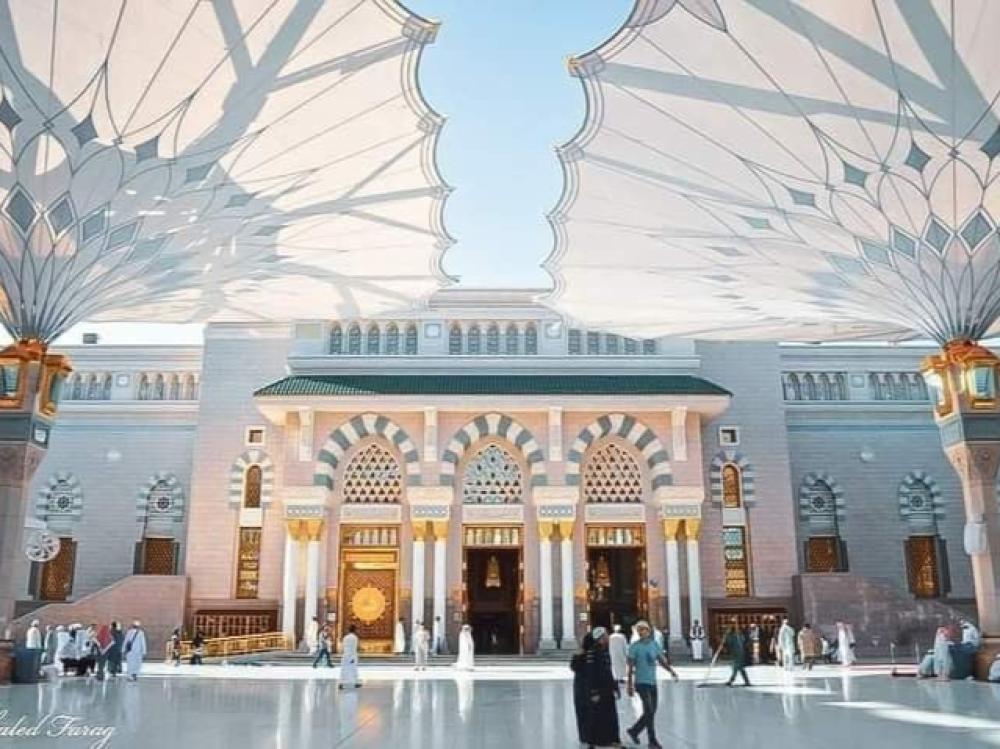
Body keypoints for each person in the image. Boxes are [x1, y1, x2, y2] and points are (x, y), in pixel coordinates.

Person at [626, 620, 670, 749]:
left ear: (648, 631)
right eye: (639, 630)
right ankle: (652, 740)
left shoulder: (654, 644)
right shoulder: (634, 647)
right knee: (649, 710)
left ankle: (634, 731)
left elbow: (660, 660)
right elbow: (630, 668)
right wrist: (629, 684)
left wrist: (671, 671)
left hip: (652, 682)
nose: (642, 632)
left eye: (644, 630)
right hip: (641, 682)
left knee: (651, 711)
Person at [585, 627, 621, 748]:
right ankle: (593, 741)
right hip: (598, 689)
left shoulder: (605, 651)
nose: (608, 637)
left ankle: (612, 739)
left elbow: (608, 671)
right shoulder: (592, 652)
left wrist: (615, 687)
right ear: (600, 637)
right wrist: (594, 692)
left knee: (611, 715)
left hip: (607, 688)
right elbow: (591, 674)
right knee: (596, 716)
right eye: (606, 635)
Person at [569, 633, 594, 746]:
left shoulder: (578, 654)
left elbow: (573, 667)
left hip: (579, 688)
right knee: (590, 712)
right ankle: (590, 735)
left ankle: (583, 736)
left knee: (581, 713)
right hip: (589, 687)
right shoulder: (592, 655)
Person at [724, 618, 751, 687]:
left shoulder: (736, 635)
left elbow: (730, 642)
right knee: (740, 668)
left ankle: (731, 681)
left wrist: (726, 636)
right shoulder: (737, 635)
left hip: (738, 653)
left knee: (736, 667)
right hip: (737, 653)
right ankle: (746, 681)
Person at [339, 624, 361, 689]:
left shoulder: (345, 637)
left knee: (344, 669)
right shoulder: (355, 638)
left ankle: (341, 683)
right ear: (355, 630)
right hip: (352, 656)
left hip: (345, 655)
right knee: (353, 670)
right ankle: (355, 683)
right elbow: (356, 647)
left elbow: (342, 647)